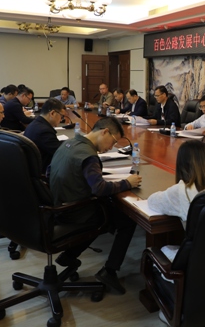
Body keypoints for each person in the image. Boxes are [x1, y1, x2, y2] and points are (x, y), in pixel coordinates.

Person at [49, 117, 142, 294]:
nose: (111, 147)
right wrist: (127, 183)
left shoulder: (70, 143)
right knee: (126, 219)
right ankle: (110, 271)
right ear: (104, 132)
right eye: (113, 142)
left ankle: (69, 255)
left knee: (106, 214)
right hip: (75, 212)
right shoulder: (89, 155)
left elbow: (49, 171)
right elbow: (99, 189)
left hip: (58, 205)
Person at [23, 98, 65, 173]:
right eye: (61, 116)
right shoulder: (44, 131)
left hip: (31, 167)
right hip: (44, 171)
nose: (61, 120)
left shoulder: (35, 123)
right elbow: (60, 152)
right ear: (52, 113)